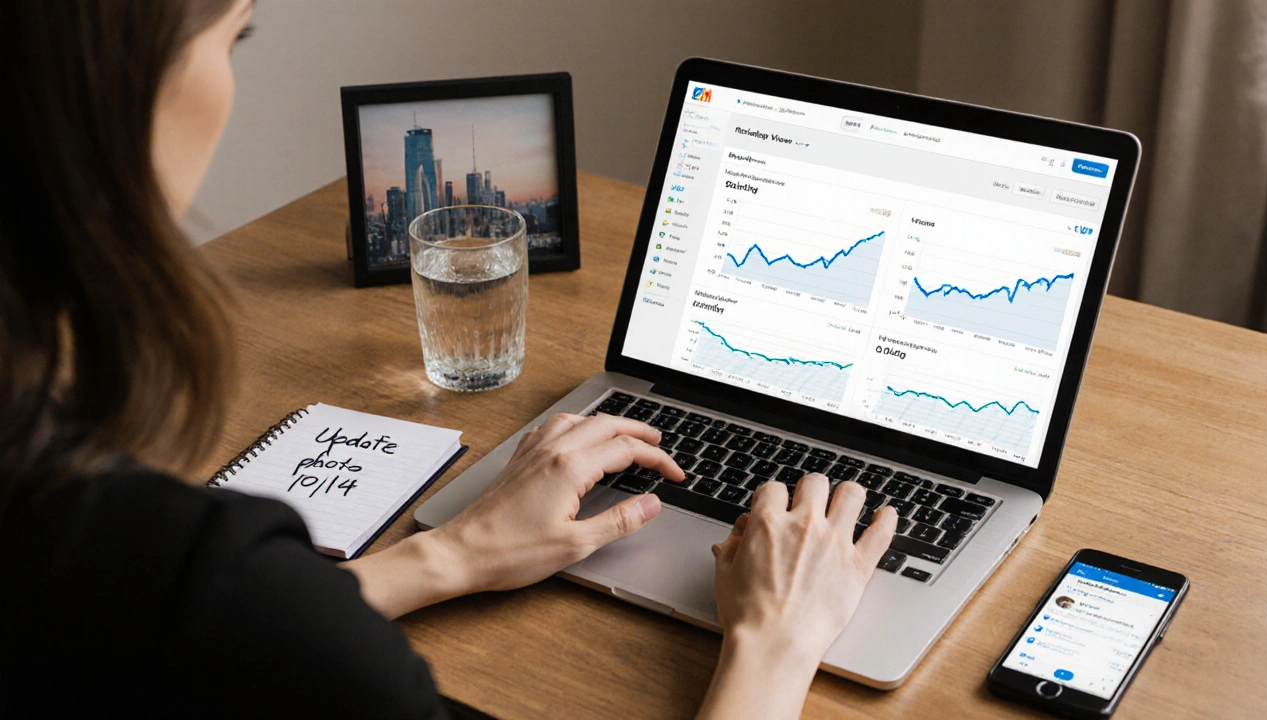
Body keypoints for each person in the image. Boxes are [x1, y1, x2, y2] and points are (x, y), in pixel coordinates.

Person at [0, 1, 898, 718]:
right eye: (236, 36)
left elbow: (216, 630)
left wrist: (451, 556)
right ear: (105, 87)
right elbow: (233, 624)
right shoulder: (147, 561)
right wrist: (777, 642)